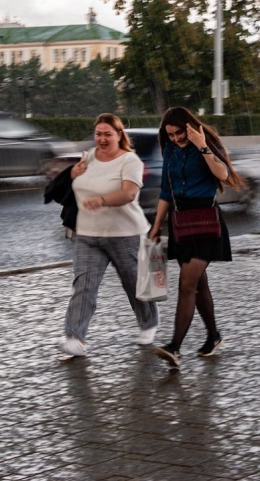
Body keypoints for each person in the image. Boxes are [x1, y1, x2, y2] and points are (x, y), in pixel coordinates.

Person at [149, 106, 245, 369]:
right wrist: (157, 225)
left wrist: (202, 145)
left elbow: (223, 175)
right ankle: (213, 337)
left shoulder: (205, 143)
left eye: (180, 133)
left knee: (186, 284)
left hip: (205, 221)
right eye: (170, 134)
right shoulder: (169, 150)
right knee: (199, 284)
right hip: (180, 222)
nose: (176, 138)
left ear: (189, 127)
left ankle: (175, 348)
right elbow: (166, 191)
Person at [58, 113, 159, 357]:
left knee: (135, 283)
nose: (102, 139)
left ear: (119, 135)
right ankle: (75, 337)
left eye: (107, 134)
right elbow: (73, 186)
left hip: (126, 233)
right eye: (98, 134)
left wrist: (101, 200)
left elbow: (129, 194)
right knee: (84, 284)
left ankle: (149, 322)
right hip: (88, 234)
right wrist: (72, 175)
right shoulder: (88, 157)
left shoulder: (130, 161)